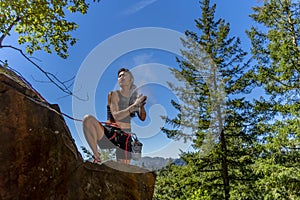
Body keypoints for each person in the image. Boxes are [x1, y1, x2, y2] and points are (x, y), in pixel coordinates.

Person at [82, 68, 147, 164]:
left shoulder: (134, 98)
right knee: (87, 119)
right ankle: (97, 156)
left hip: (125, 137)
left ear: (131, 80)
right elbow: (116, 115)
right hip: (110, 133)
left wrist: (140, 105)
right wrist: (134, 105)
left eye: (124, 75)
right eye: (119, 76)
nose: (121, 77)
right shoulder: (113, 95)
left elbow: (143, 118)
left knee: (123, 169)